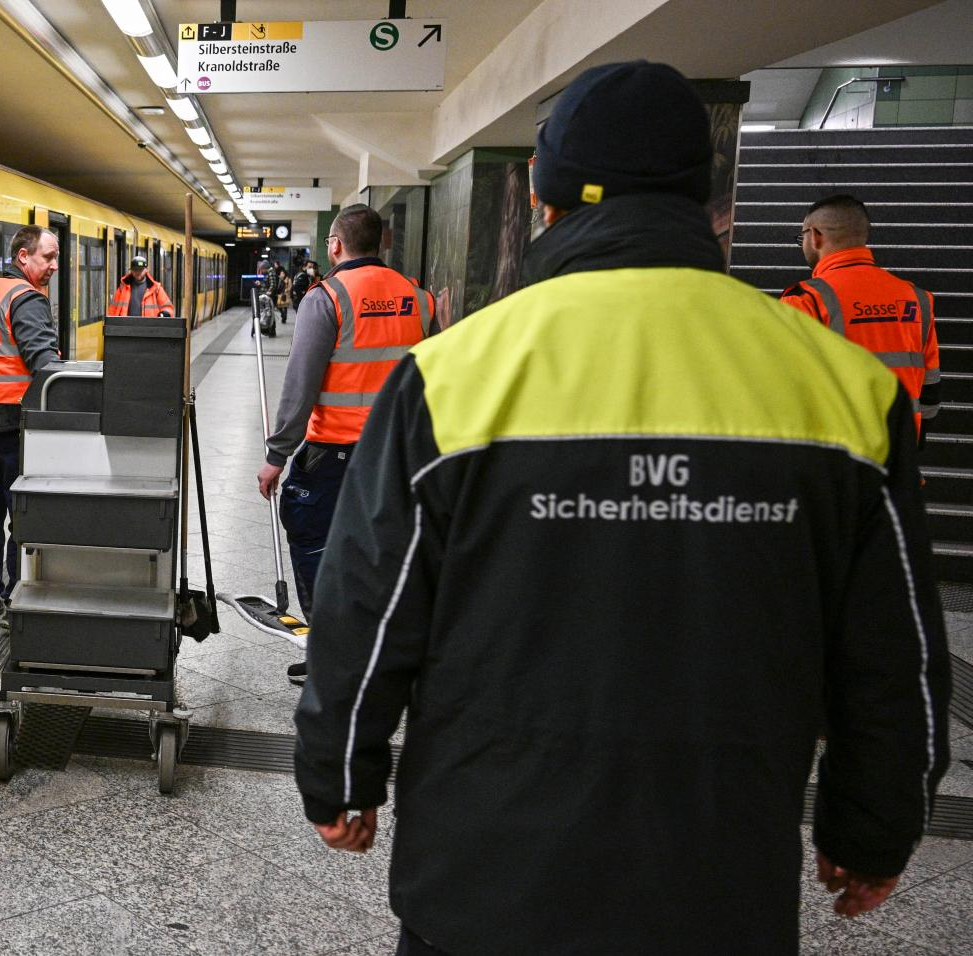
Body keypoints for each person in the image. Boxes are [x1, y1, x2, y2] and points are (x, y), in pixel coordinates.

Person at [291, 61, 950, 956]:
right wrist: (877, 819)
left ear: (540, 193)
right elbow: (893, 644)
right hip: (718, 881)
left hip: (484, 876)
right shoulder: (846, 388)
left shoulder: (454, 375)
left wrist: (340, 772)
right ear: (705, 194)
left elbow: (369, 599)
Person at [257, 204, 434, 686]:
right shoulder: (418, 298)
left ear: (335, 245)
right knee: (383, 550)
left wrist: (277, 455)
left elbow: (301, 385)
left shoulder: (328, 297)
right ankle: (383, 654)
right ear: (381, 244)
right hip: (397, 452)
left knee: (315, 541)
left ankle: (331, 657)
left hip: (334, 454)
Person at [0, 225, 63, 622]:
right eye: (48, 257)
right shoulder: (27, 298)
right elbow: (43, 363)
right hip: (14, 422)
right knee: (22, 513)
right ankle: (17, 600)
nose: (54, 266)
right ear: (24, 256)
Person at [780, 194, 940, 435]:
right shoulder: (917, 299)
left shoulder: (805, 300)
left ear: (815, 236)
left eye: (802, 237)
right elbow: (930, 390)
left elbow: (784, 391)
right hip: (900, 449)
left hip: (836, 452)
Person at [106, 254, 173, 318]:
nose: (138, 272)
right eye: (135, 269)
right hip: (126, 324)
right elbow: (113, 308)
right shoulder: (123, 287)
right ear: (131, 270)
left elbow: (167, 307)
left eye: (140, 270)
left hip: (148, 325)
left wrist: (164, 314)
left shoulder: (156, 288)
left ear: (146, 270)